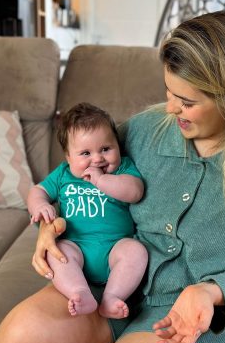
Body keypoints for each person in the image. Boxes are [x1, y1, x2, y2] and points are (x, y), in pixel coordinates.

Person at [0, 11, 225, 343]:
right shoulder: (142, 131)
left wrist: (212, 292)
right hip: (105, 285)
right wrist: (52, 226)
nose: (171, 109)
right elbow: (76, 178)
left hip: (189, 320)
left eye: (187, 102)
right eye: (169, 93)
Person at [27, 102, 147, 318]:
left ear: (117, 146)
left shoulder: (123, 168)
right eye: (85, 153)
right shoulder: (64, 174)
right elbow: (37, 191)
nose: (97, 158)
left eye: (105, 149)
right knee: (58, 253)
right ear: (68, 158)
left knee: (136, 252)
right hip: (76, 246)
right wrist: (41, 205)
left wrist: (102, 181)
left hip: (114, 247)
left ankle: (112, 296)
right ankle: (79, 292)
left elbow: (135, 191)